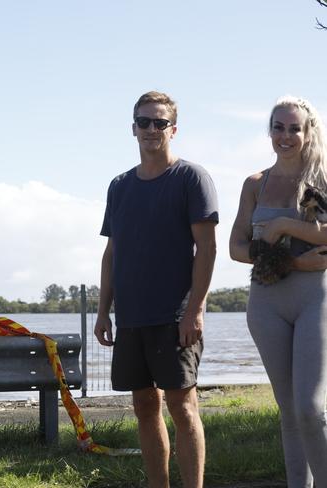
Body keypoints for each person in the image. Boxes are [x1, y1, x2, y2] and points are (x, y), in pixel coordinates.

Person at [94, 91, 218, 488]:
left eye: (159, 123)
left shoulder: (191, 178)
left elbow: (208, 248)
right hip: (131, 317)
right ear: (133, 128)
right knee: (144, 405)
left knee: (183, 406)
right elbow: (112, 253)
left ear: (173, 129)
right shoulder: (119, 186)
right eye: (144, 122)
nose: (151, 129)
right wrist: (103, 311)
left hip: (175, 316)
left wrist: (194, 309)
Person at [229, 95, 327, 488]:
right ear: (270, 131)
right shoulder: (256, 184)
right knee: (287, 411)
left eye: (294, 128)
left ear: (308, 132)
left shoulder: (319, 180)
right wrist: (292, 261)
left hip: (314, 301)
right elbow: (236, 248)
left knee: (310, 408)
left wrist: (284, 228)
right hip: (266, 303)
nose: (285, 136)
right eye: (278, 127)